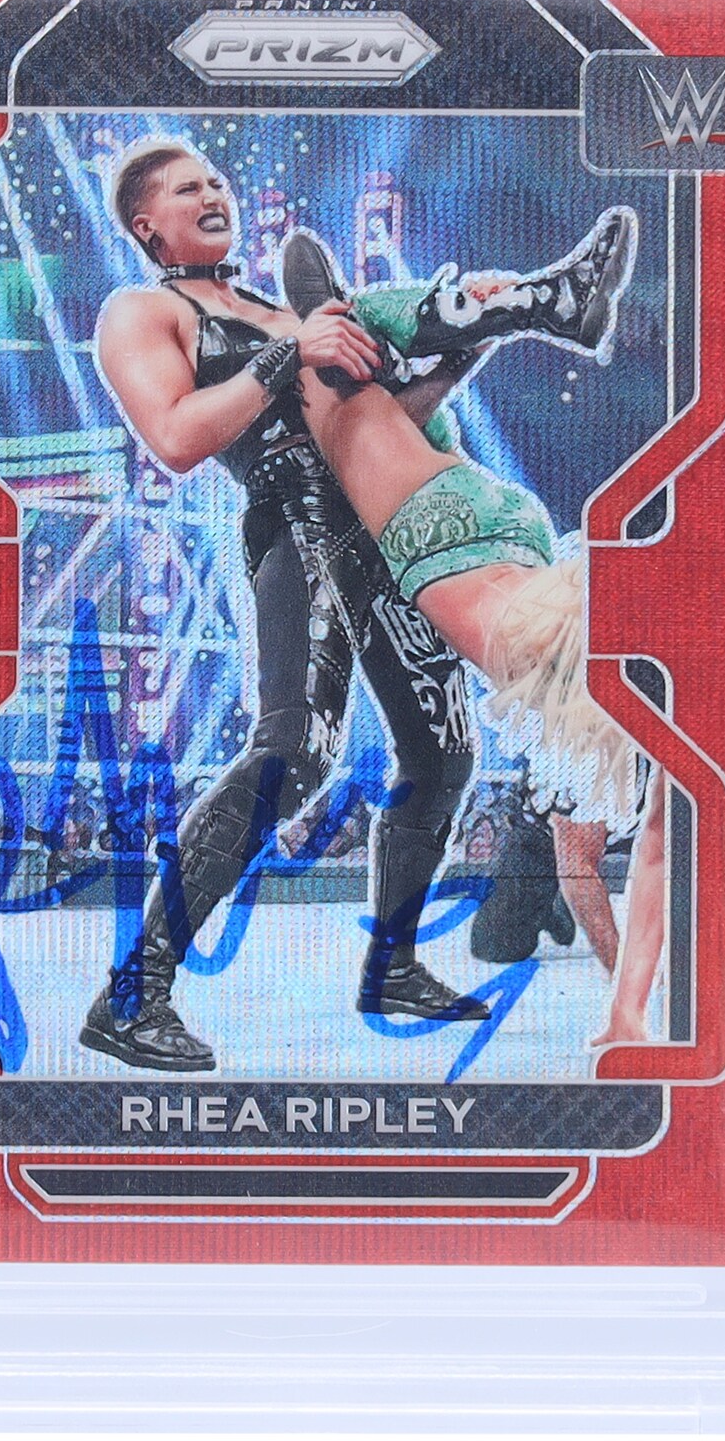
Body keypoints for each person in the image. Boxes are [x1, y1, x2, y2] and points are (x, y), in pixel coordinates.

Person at [78, 142, 632, 1072]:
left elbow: (382, 425)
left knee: (444, 755)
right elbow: (174, 437)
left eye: (217, 180)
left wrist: (464, 351)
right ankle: (132, 996)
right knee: (293, 752)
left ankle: (393, 967)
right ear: (147, 223)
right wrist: (291, 350)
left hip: (389, 520)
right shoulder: (143, 311)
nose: (213, 193)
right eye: (187, 187)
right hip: (301, 523)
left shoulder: (280, 310)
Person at [279, 219, 672, 1043]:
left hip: (531, 585)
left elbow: (401, 403)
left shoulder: (380, 421)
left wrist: (472, 342)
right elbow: (339, 334)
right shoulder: (327, 399)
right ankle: (551, 302)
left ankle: (547, 303)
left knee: (658, 820)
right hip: (526, 605)